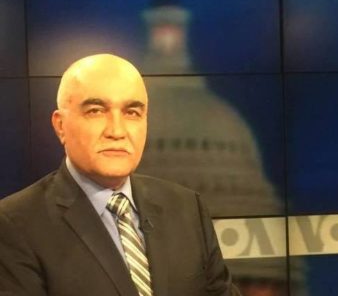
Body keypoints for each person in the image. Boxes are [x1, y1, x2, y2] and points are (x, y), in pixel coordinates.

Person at [0, 54, 240, 296]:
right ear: (61, 125)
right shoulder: (15, 225)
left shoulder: (187, 207)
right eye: (96, 111)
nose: (117, 131)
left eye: (132, 113)